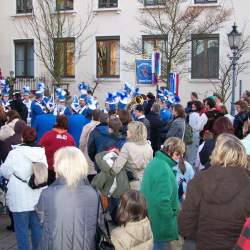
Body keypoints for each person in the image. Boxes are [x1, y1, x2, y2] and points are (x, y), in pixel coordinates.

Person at [178, 133, 250, 250]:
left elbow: (185, 225)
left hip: (203, 243)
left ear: (216, 153)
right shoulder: (247, 184)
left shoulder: (199, 181)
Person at [36, 147, 99, 250]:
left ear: (60, 166)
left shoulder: (48, 193)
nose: (53, 165)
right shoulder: (93, 193)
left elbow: (42, 220)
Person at [0, 126, 48, 250]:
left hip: (19, 196)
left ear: (22, 137)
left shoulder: (14, 153)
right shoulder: (41, 152)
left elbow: (5, 172)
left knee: (21, 230)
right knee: (37, 228)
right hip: (37, 195)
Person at [141, 137, 185, 250]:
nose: (180, 158)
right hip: (158, 220)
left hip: (151, 215)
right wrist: (171, 213)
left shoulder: (156, 161)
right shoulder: (163, 168)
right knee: (158, 245)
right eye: (180, 155)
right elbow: (162, 200)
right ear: (174, 152)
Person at [111, 121, 153, 190]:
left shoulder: (127, 146)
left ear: (133, 133)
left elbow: (116, 168)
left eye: (129, 130)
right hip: (146, 181)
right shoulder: (148, 145)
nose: (127, 131)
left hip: (132, 183)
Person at [38, 115, 75, 185]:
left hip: (49, 170)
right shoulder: (70, 139)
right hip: (63, 171)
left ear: (56, 123)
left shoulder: (47, 136)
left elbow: (39, 150)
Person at [79, 109, 101, 181]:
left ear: (92, 116)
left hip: (88, 153)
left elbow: (82, 141)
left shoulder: (87, 126)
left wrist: (81, 152)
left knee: (90, 174)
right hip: (99, 154)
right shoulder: (102, 127)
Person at [186, 100, 208, 167]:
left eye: (194, 105)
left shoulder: (193, 115)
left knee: (190, 154)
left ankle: (189, 171)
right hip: (197, 135)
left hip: (192, 135)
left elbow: (192, 127)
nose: (192, 106)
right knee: (194, 154)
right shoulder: (203, 115)